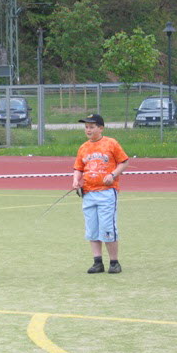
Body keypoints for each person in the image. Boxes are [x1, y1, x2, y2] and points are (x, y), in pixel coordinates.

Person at [72, 113, 129, 274]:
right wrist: (76, 180)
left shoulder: (111, 143)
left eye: (91, 127)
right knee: (92, 229)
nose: (88, 130)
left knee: (107, 227)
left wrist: (113, 175)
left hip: (107, 193)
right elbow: (78, 168)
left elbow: (124, 162)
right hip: (88, 193)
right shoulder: (83, 147)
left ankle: (114, 262)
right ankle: (98, 262)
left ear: (101, 128)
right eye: (86, 127)